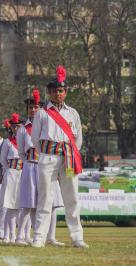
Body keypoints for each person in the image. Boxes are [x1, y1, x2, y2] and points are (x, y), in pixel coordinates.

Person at [31, 66, 88, 248]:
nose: (58, 94)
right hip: (48, 156)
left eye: (61, 90)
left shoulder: (73, 113)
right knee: (45, 198)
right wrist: (47, 155)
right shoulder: (42, 113)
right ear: (49, 92)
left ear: (66, 92)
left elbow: (78, 139)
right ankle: (39, 236)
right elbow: (35, 139)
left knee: (72, 197)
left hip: (68, 157)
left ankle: (77, 237)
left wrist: (68, 153)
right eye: (55, 91)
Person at [15, 89, 64, 246]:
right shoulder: (23, 129)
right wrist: (30, 164)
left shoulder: (49, 123)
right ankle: (22, 236)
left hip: (48, 164)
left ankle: (51, 236)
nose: (33, 110)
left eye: (36, 107)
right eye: (31, 108)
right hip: (31, 166)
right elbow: (21, 152)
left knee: (52, 203)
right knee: (30, 204)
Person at [0, 114, 23, 244]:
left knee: (22, 206)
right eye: (14, 126)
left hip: (23, 173)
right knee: (10, 205)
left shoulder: (25, 141)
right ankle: (10, 235)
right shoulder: (7, 142)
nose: (16, 128)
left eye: (18, 126)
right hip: (12, 172)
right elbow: (3, 160)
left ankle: (22, 235)